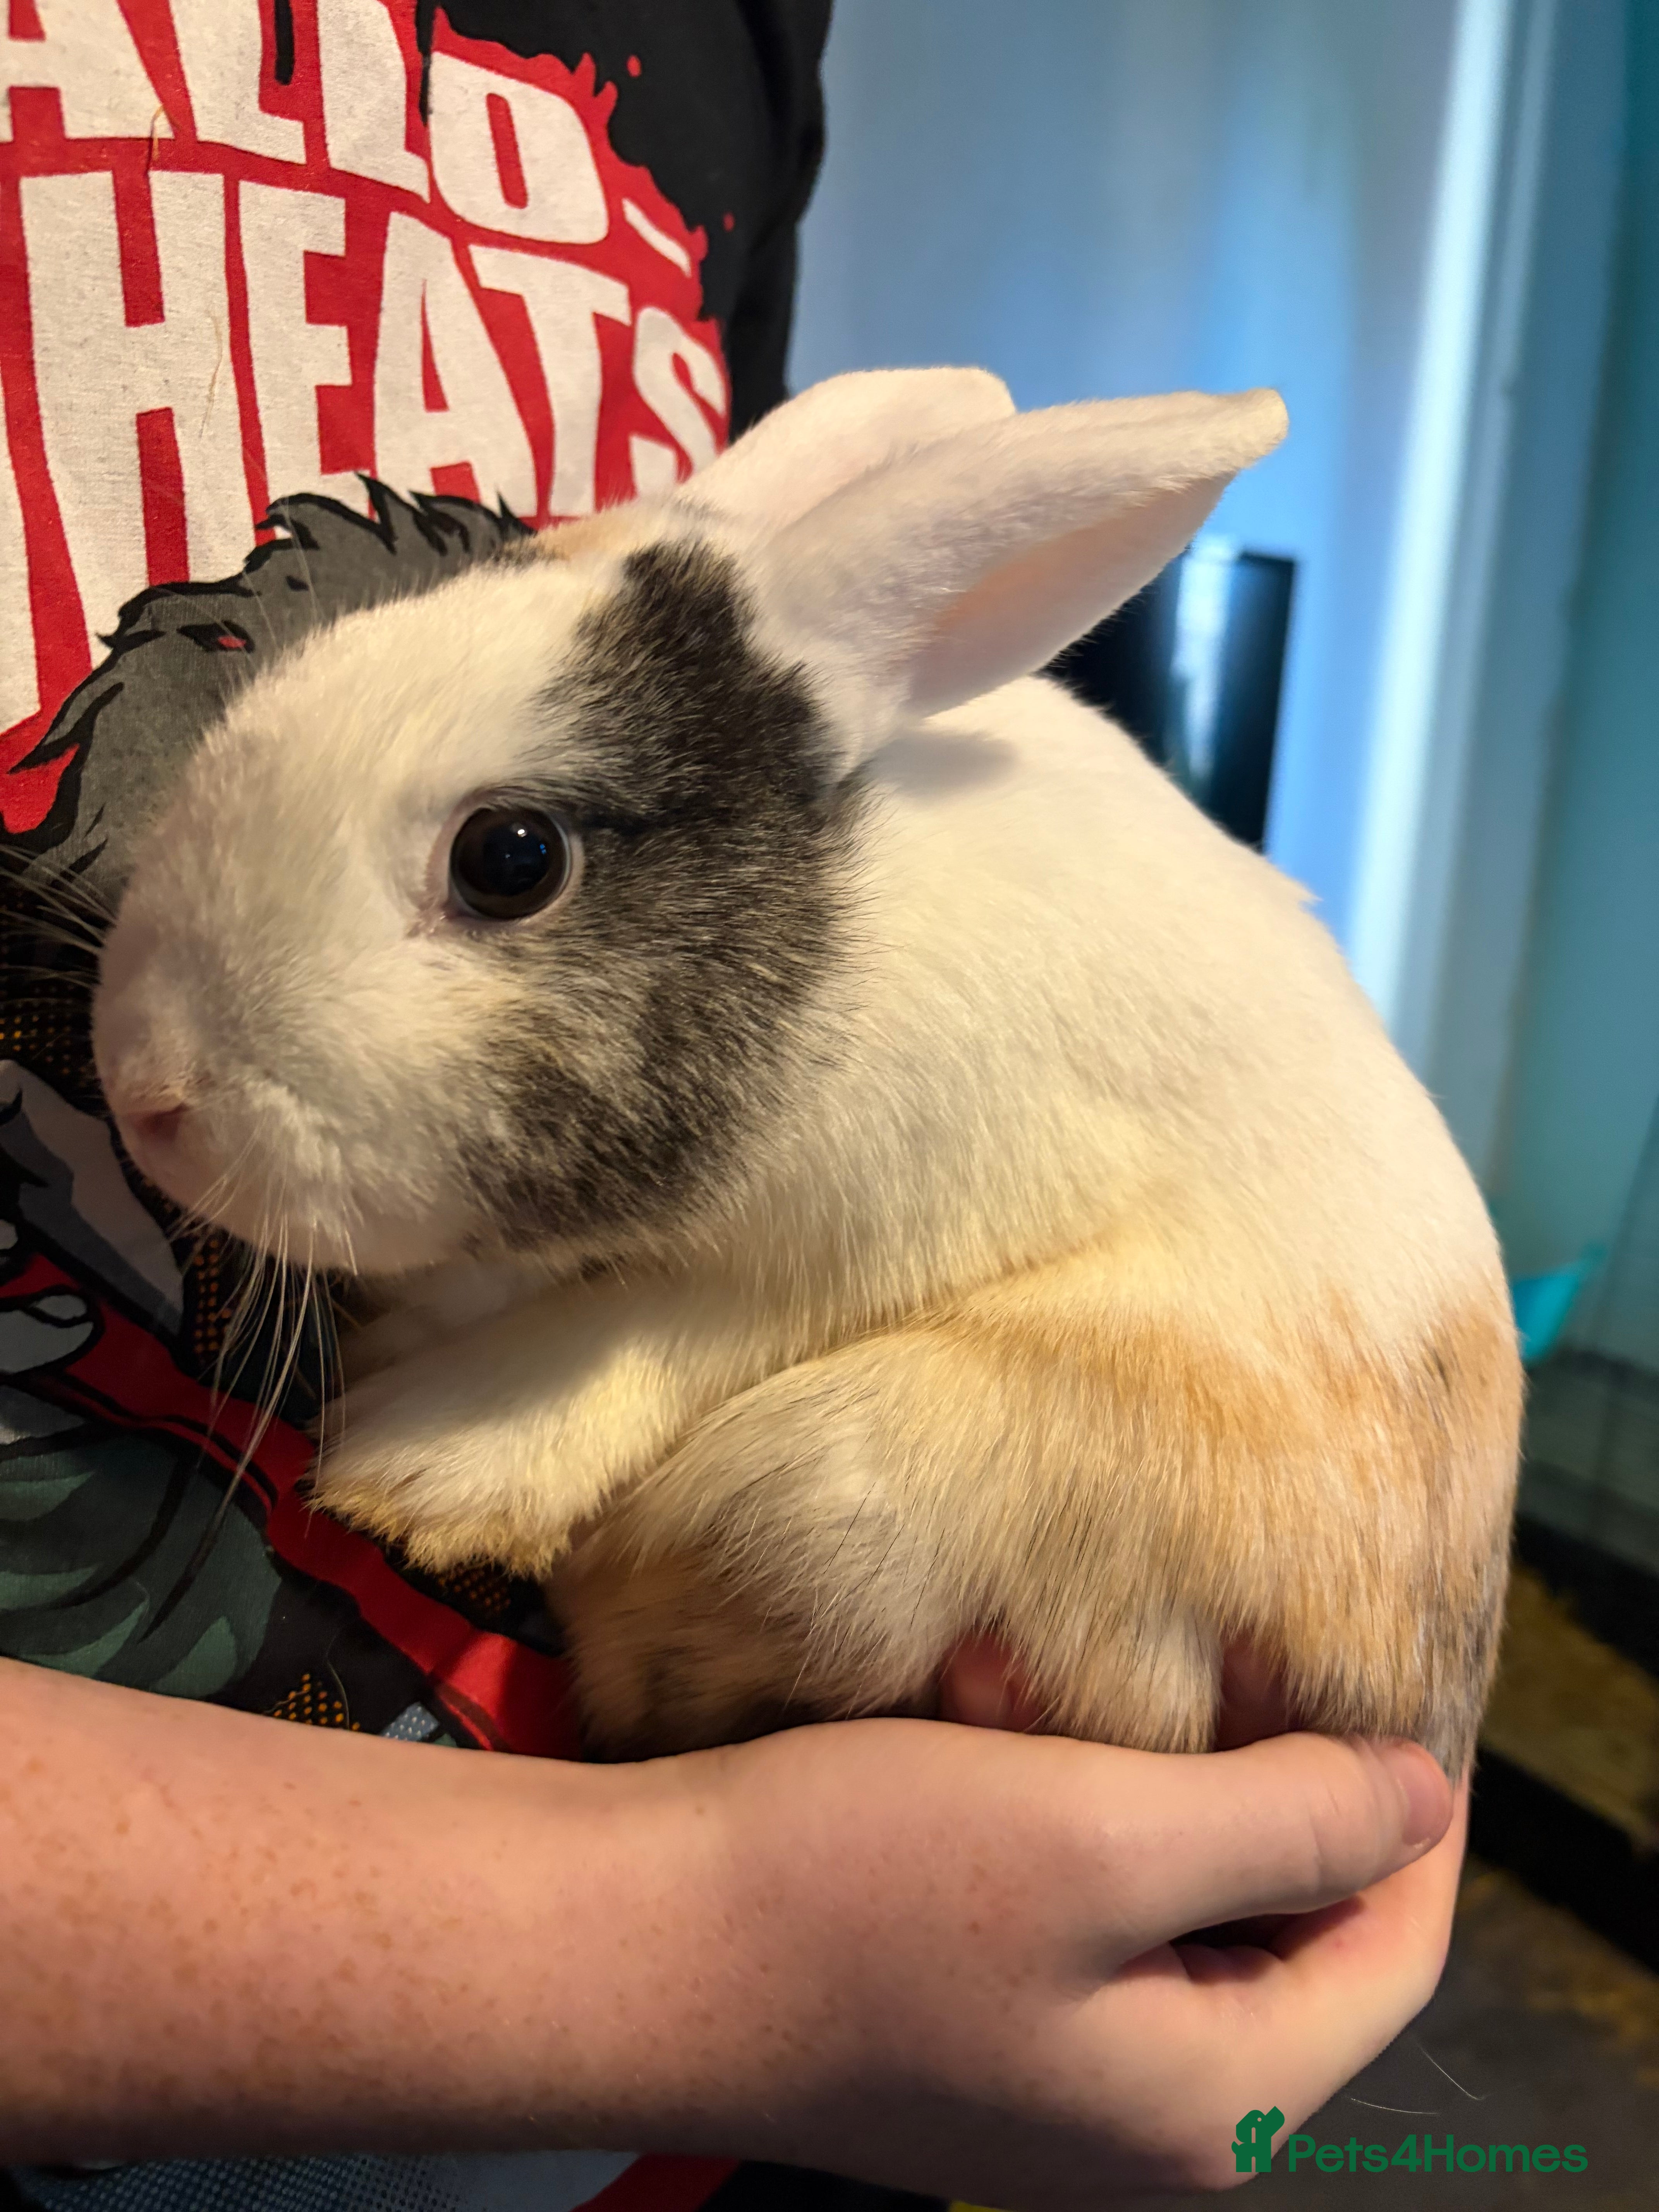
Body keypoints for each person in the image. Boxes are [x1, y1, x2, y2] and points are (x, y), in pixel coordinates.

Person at [0, 6, 1465, 2208]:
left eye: (506, 875)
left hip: (1009, 1709)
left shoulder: (723, 48)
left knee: (845, 1499)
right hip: (726, 2025)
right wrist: (684, 1955)